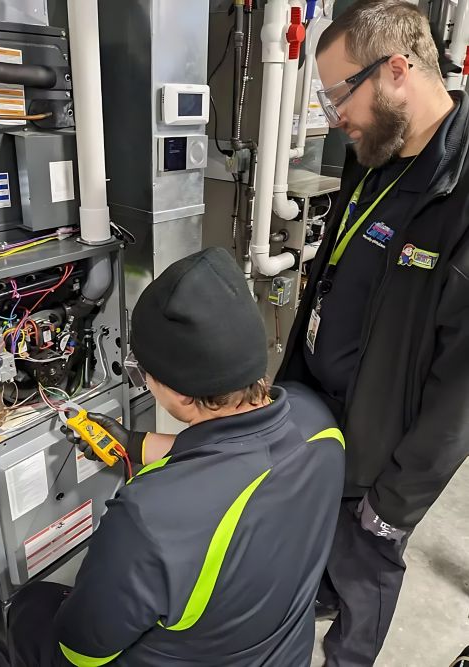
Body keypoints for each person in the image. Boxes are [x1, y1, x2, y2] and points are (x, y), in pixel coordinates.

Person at [8, 247, 345, 667]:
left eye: (143, 372)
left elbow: (81, 651)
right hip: (283, 654)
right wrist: (133, 443)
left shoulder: (149, 517)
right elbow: (247, 466)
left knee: (29, 608)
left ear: (181, 393)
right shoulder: (320, 424)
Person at [276, 1, 469, 665]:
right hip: (327, 416)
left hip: (384, 451)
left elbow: (461, 393)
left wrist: (396, 502)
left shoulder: (459, 189)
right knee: (323, 547)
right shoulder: (376, 155)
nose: (334, 117)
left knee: (367, 568)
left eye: (338, 96)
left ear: (396, 70)